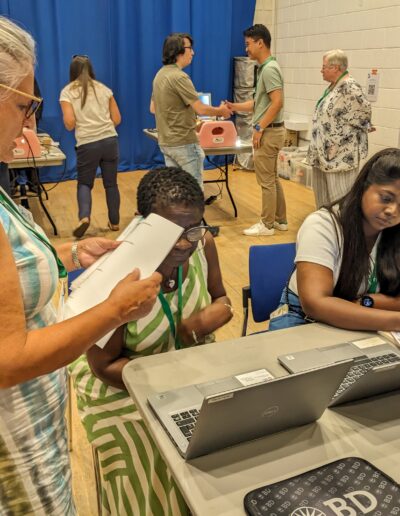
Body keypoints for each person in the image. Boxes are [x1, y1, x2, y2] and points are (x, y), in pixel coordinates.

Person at [0, 16, 161, 515]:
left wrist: (68, 254)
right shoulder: (106, 87)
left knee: (89, 187)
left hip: (31, 431)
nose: (30, 122)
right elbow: (7, 359)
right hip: (16, 451)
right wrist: (114, 311)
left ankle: (89, 222)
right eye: (26, 105)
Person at [69, 167, 234, 515]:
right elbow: (105, 367)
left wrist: (217, 312)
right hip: (123, 390)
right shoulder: (120, 271)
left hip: (191, 374)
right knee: (155, 455)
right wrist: (172, 380)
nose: (185, 242)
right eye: (173, 232)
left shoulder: (202, 244)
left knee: (236, 439)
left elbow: (221, 297)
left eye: (194, 228)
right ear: (145, 225)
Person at [269, 148, 400, 333]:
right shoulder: (322, 225)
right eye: (386, 198)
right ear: (364, 186)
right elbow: (316, 304)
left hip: (365, 318)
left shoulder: (394, 233)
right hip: (304, 319)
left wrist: (365, 302)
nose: (392, 211)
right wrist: (395, 320)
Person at [227, 24, 287, 236]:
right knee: (272, 178)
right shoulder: (267, 68)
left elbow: (277, 102)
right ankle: (280, 220)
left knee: (266, 181)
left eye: (248, 44)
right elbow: (258, 103)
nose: (246, 49)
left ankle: (267, 224)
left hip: (269, 132)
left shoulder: (269, 69)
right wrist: (234, 107)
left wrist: (260, 127)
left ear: (260, 43)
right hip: (272, 130)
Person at [150, 32, 232, 189]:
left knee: (176, 191)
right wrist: (221, 111)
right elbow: (200, 108)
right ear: (178, 50)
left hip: (167, 143)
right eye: (190, 48)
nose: (193, 52)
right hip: (184, 143)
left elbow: (153, 108)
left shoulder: (159, 75)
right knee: (193, 192)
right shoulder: (179, 77)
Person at [60, 55, 122, 238]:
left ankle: (84, 218)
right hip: (110, 141)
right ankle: (115, 222)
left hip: (87, 144)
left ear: (72, 71)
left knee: (85, 184)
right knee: (111, 184)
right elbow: (117, 119)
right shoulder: (104, 89)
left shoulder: (67, 92)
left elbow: (70, 123)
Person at [308, 49, 372, 209]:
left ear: (335, 67)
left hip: (340, 156)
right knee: (324, 201)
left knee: (341, 202)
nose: (321, 70)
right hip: (324, 155)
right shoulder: (334, 86)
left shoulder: (350, 87)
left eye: (324, 67)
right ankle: (327, 229)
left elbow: (364, 113)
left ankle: (343, 232)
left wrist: (365, 126)